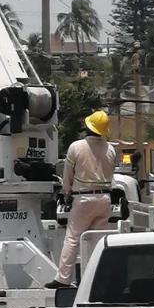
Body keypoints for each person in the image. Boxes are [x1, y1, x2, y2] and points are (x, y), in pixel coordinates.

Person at [47, 109, 116, 289]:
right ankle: (95, 280)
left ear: (88, 127)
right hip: (105, 199)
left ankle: (63, 279)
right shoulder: (111, 149)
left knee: (73, 238)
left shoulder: (76, 147)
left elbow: (68, 174)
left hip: (83, 198)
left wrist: (66, 192)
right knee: (96, 241)